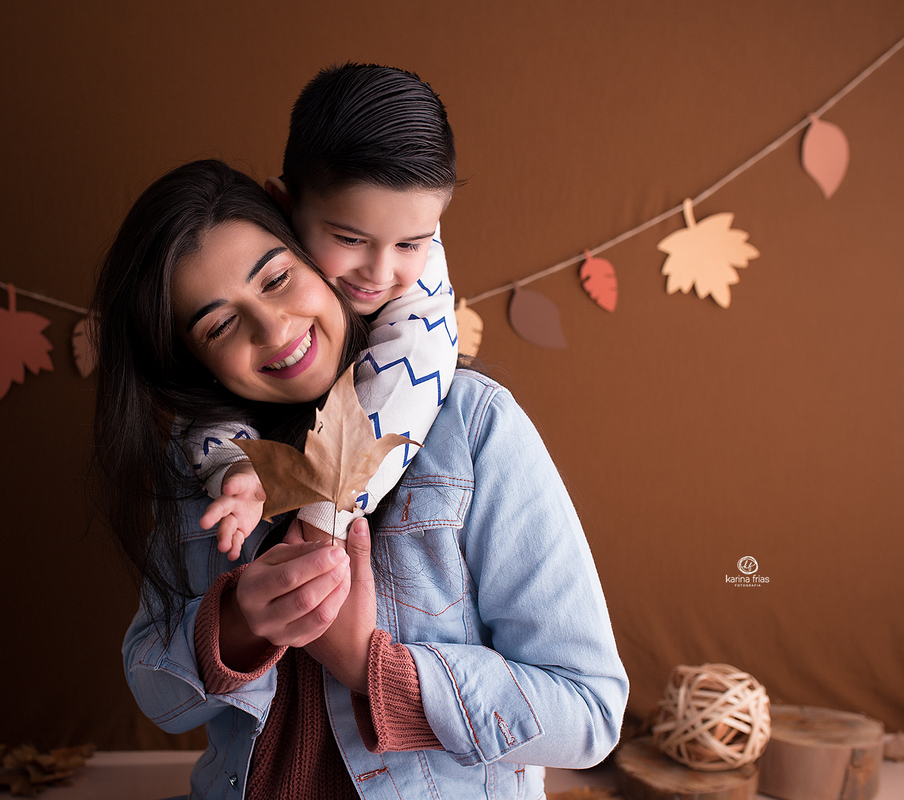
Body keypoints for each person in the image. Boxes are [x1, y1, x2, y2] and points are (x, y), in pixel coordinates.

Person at [91, 159, 628, 800]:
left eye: (278, 277)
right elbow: (156, 696)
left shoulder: (474, 426)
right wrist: (236, 625)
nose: (274, 328)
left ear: (316, 251)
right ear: (191, 357)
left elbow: (589, 713)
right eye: (220, 324)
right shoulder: (208, 473)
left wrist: (373, 669)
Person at [180, 63, 460, 558]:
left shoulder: (465, 401)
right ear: (284, 207)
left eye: (412, 244)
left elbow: (415, 363)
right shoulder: (196, 438)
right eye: (350, 239)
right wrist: (235, 467)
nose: (379, 272)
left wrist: (320, 524)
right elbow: (201, 411)